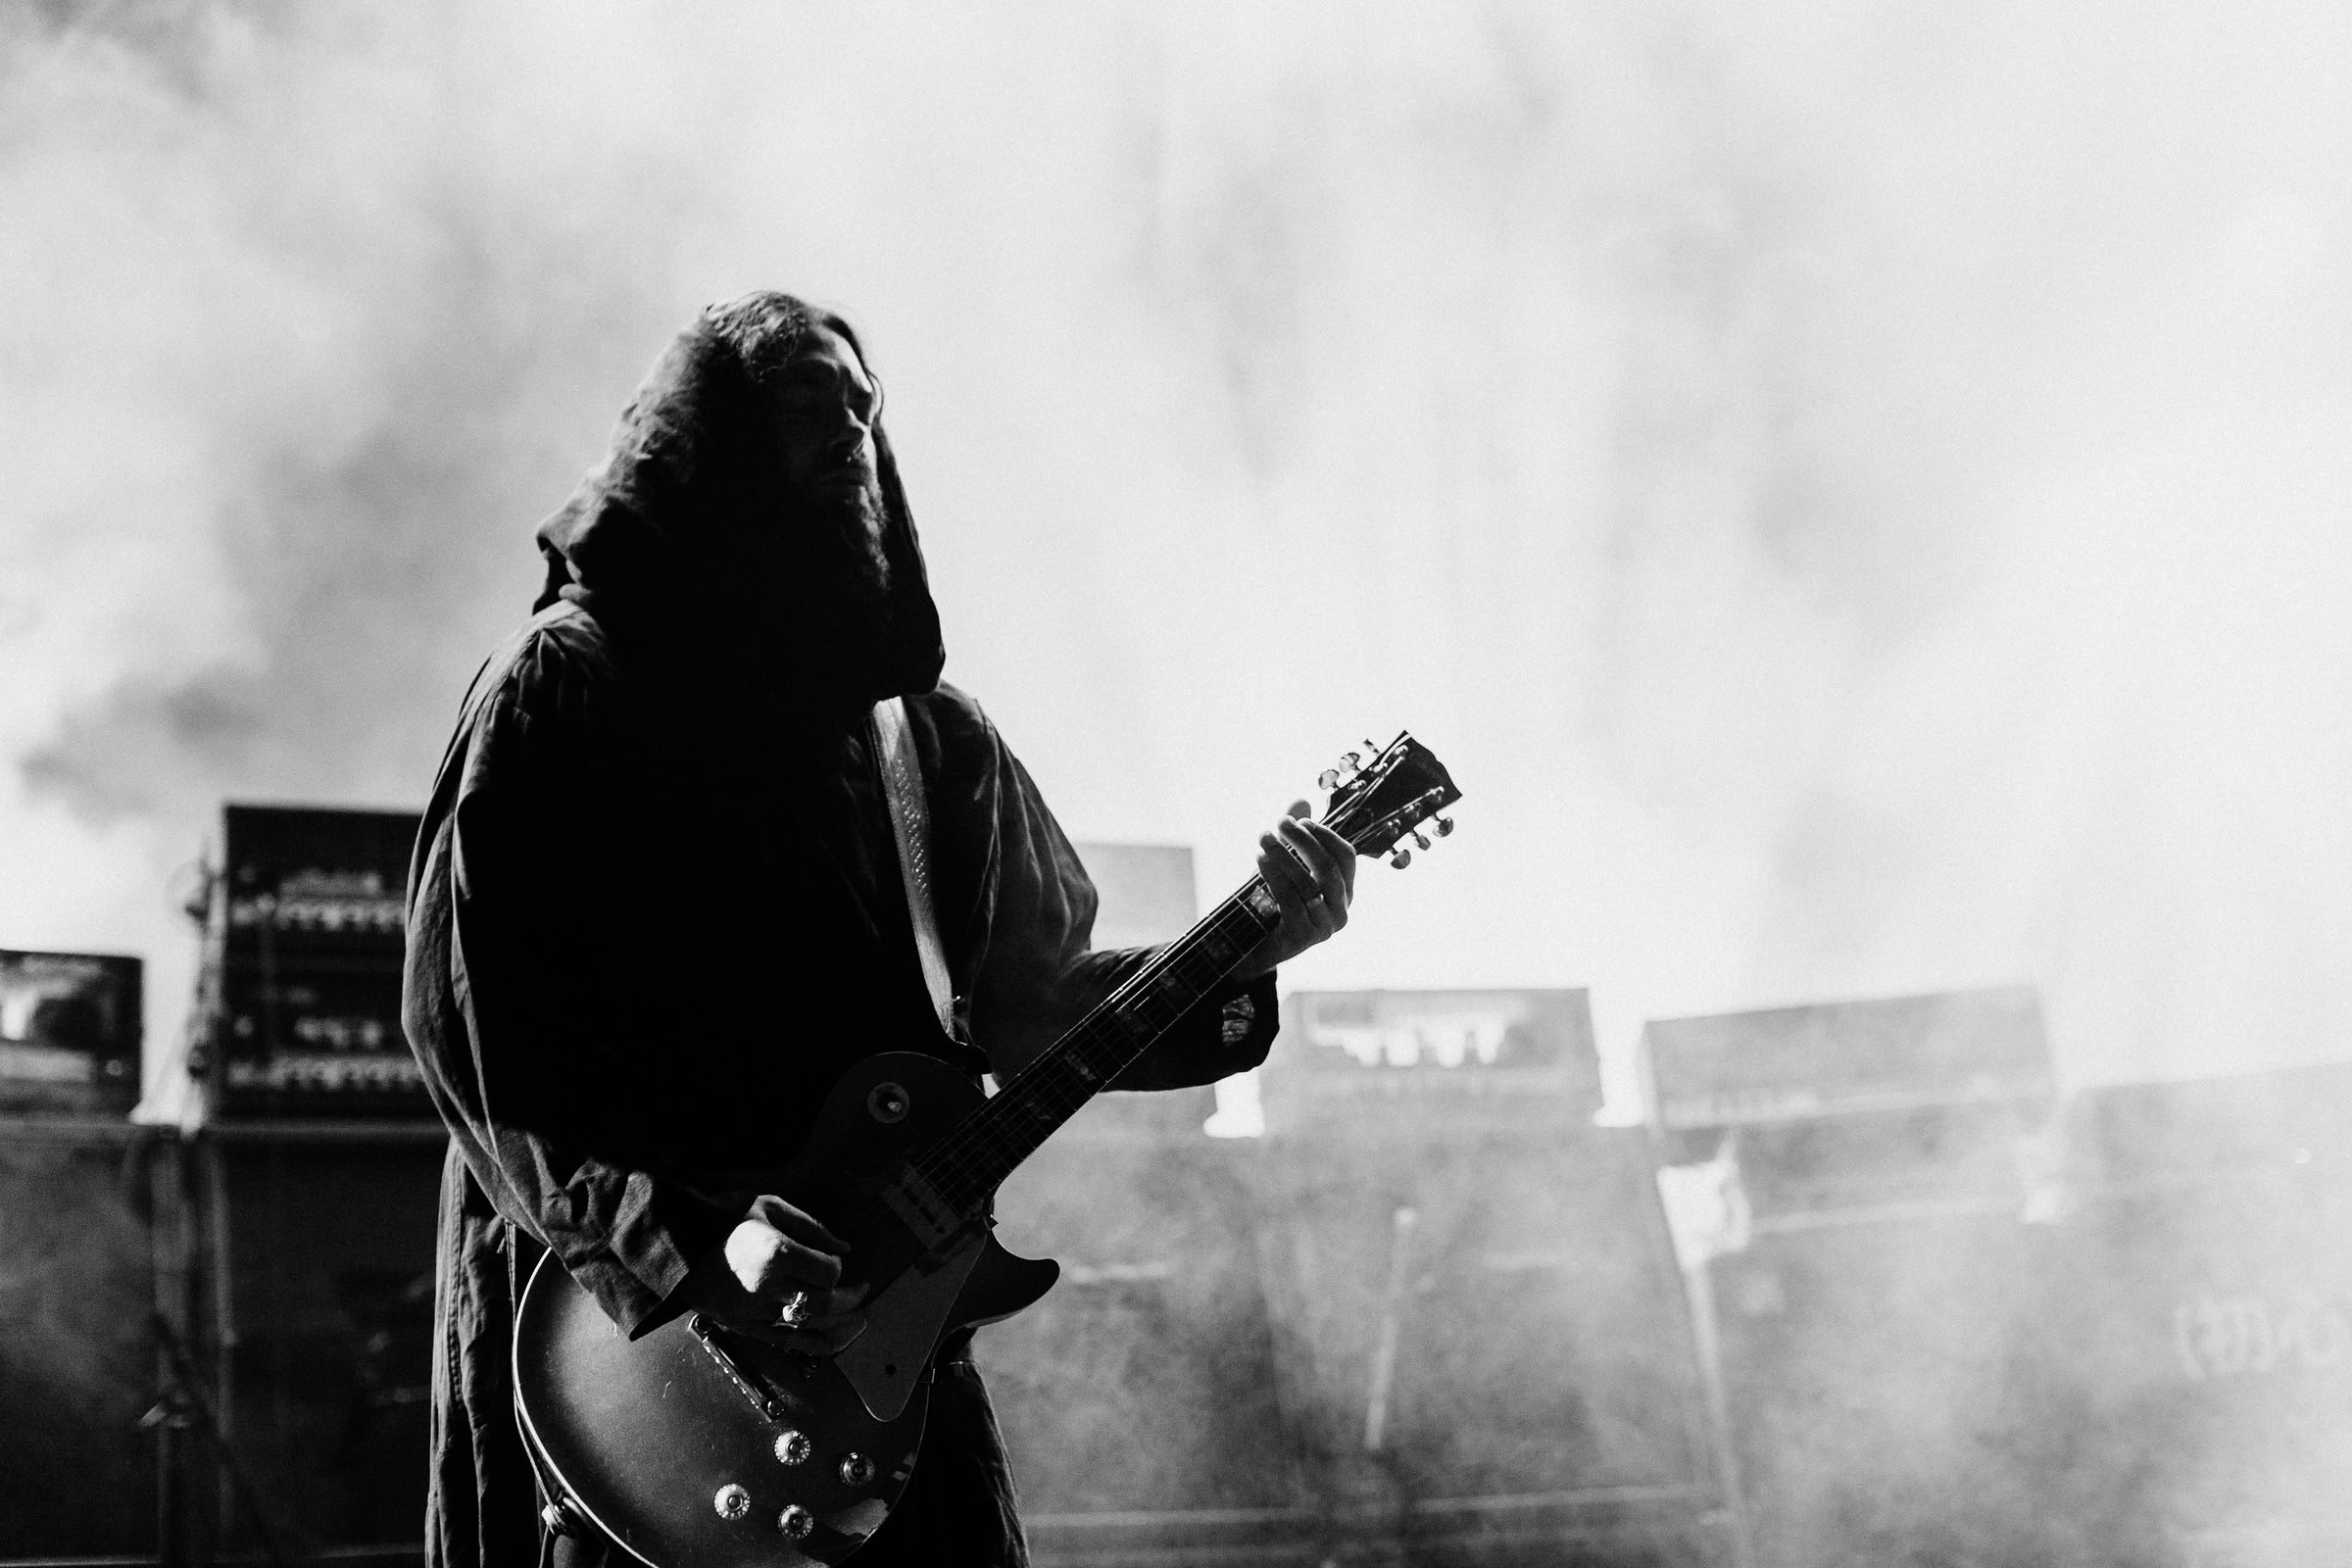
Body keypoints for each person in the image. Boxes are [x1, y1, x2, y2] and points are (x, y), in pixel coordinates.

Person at [401, 290, 1356, 1568]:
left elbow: (1033, 1005)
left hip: (880, 1355)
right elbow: (484, 1026)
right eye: (813, 408)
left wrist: (1251, 947)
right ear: (706, 438)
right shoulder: (568, 683)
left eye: (866, 410)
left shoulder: (924, 735)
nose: (851, 438)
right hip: (648, 1358)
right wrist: (699, 1245)